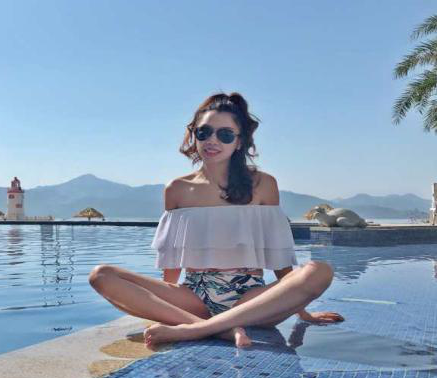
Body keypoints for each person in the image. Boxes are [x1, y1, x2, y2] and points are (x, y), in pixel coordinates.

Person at [89, 92, 343, 348]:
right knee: (101, 275)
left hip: (251, 300)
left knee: (319, 271)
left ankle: (196, 330)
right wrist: (161, 301)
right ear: (194, 135)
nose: (212, 140)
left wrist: (301, 311)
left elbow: (278, 256)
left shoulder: (264, 184)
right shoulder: (177, 189)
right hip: (193, 299)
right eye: (204, 132)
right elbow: (172, 264)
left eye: (225, 134)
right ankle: (219, 330)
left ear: (239, 141)